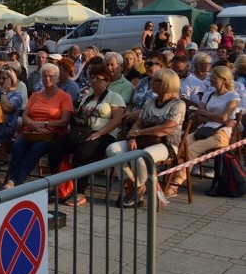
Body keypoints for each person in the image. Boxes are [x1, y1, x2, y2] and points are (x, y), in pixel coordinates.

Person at [106, 69, 185, 207]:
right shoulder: (150, 101)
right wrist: (132, 137)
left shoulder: (178, 104)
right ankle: (136, 186)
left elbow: (166, 128)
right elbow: (138, 122)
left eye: (156, 80)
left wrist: (138, 134)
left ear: (167, 84)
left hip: (167, 143)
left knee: (140, 157)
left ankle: (137, 192)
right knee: (112, 149)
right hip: (143, 140)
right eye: (152, 79)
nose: (151, 82)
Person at [47, 64, 125, 205]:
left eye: (98, 79)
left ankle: (80, 191)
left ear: (107, 81)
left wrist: (99, 133)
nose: (94, 81)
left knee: (82, 153)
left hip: (105, 135)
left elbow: (117, 120)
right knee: (54, 147)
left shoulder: (114, 97)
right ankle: (60, 185)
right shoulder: (87, 96)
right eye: (92, 78)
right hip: (83, 132)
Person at [166, 66, 239, 198]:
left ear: (223, 79)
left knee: (191, 150)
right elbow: (200, 116)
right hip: (204, 130)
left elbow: (223, 117)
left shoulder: (233, 96)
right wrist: (217, 117)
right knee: (180, 145)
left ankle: (175, 183)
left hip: (220, 133)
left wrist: (208, 114)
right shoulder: (208, 94)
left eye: (213, 77)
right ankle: (173, 176)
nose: (210, 79)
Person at [5, 63, 73, 189]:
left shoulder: (64, 97)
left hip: (50, 132)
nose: (47, 79)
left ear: (57, 78)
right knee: (17, 146)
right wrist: (33, 125)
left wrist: (45, 124)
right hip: (31, 129)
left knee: (37, 148)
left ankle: (13, 181)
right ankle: (14, 180)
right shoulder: (36, 95)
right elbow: (25, 115)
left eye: (51, 76)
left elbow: (64, 121)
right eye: (44, 76)